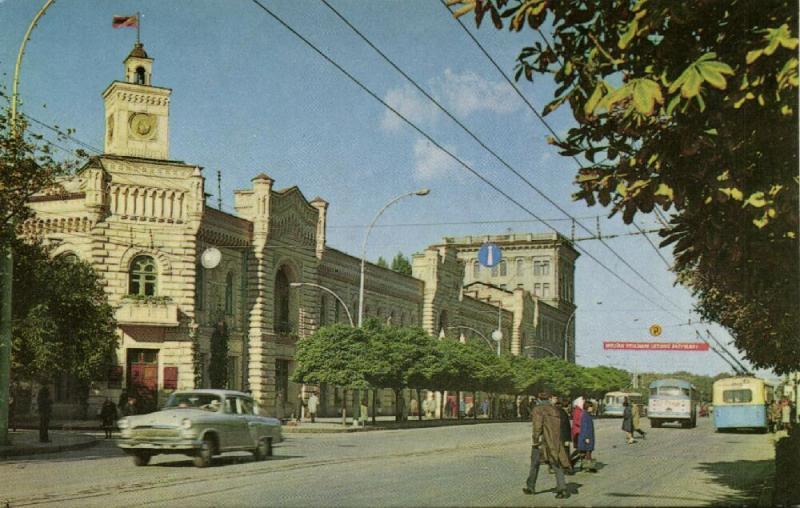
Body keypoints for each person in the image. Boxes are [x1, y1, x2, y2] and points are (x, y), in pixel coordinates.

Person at [523, 392, 572, 499]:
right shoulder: (555, 409)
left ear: (539, 399)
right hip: (554, 441)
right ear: (549, 399)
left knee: (535, 463)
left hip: (543, 441)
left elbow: (537, 427)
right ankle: (562, 488)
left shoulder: (538, 410)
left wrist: (535, 440)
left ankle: (530, 487)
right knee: (556, 463)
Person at [578, 401, 598, 473]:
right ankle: (588, 467)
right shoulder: (585, 415)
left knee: (586, 452)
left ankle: (584, 466)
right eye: (591, 407)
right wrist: (586, 437)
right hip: (587, 436)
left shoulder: (587, 414)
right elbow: (585, 427)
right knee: (587, 452)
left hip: (588, 435)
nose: (592, 408)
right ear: (587, 407)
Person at [570, 396, 584, 465]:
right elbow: (577, 421)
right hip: (578, 432)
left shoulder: (579, 410)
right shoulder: (577, 411)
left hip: (579, 432)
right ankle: (571, 461)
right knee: (580, 449)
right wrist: (583, 424)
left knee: (581, 449)